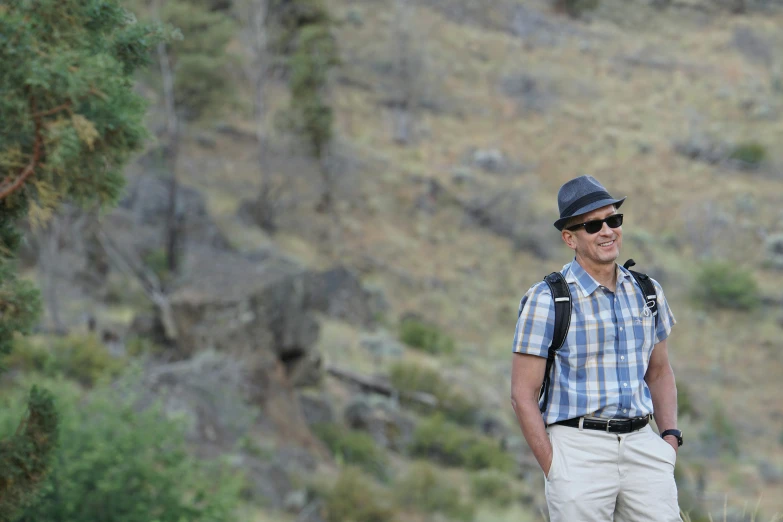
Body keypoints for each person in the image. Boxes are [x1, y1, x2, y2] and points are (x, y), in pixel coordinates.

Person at [510, 175, 682, 522]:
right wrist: (554, 466)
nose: (607, 231)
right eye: (593, 225)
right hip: (577, 451)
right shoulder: (547, 300)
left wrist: (669, 441)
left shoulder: (648, 291)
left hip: (643, 446)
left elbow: (659, 371)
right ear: (570, 238)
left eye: (613, 220)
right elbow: (522, 394)